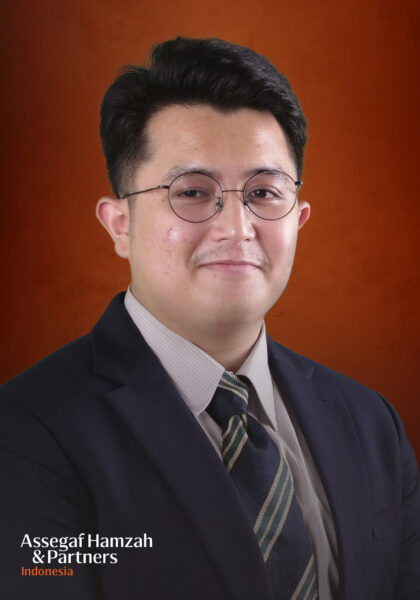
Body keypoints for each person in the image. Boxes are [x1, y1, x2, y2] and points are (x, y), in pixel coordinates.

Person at [0, 36, 419, 600]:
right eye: (193, 191)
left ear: (299, 218)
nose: (237, 228)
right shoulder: (27, 432)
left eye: (264, 192)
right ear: (120, 224)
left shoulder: (371, 423)